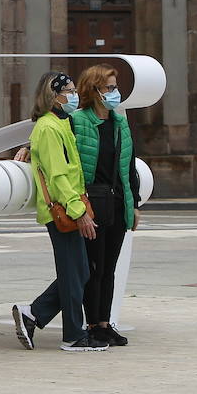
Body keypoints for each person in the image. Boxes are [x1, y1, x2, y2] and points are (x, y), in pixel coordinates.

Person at [10, 72, 109, 352]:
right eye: (69, 90)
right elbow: (58, 177)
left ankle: (35, 314)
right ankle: (72, 334)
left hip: (68, 207)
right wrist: (80, 213)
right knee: (74, 272)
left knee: (78, 271)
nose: (74, 95)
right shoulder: (49, 128)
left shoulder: (59, 124)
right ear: (54, 96)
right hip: (62, 211)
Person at [70, 64, 142, 347]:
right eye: (109, 88)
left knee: (109, 267)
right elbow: (58, 149)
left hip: (116, 202)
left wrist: (133, 204)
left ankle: (104, 322)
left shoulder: (120, 123)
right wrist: (27, 148)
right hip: (92, 203)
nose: (115, 93)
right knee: (94, 267)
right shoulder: (78, 121)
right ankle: (91, 324)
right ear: (94, 90)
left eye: (115, 87)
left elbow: (129, 166)